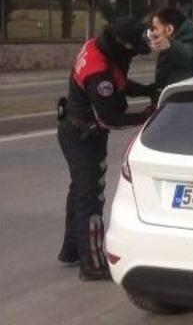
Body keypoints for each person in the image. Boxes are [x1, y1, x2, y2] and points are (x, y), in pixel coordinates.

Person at [56, 18, 156, 280]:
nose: (135, 54)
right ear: (122, 44)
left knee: (79, 191)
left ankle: (72, 250)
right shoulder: (97, 70)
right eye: (134, 49)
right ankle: (92, 265)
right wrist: (147, 117)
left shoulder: (98, 47)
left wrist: (146, 90)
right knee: (90, 198)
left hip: (74, 129)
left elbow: (118, 83)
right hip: (83, 135)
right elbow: (110, 118)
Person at [148, 6, 193, 92]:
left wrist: (170, 45)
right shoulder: (177, 43)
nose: (154, 32)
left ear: (169, 29)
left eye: (155, 28)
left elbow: (185, 56)